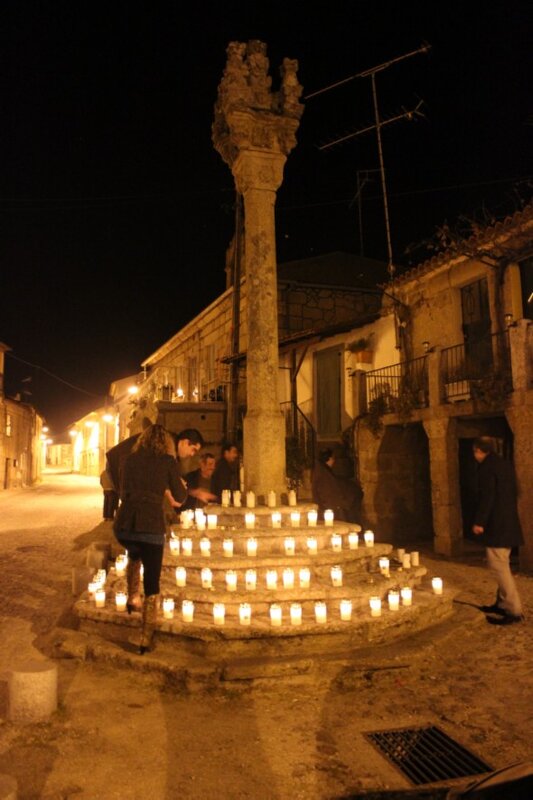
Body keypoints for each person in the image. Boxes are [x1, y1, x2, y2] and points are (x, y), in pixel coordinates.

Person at [113, 424, 187, 654]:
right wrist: (169, 489)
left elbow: (123, 490)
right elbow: (181, 497)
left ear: (142, 441)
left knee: (134, 553)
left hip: (124, 526)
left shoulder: (129, 459)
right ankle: (145, 637)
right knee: (152, 581)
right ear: (166, 443)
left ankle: (132, 598)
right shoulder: (167, 462)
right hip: (150, 527)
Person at [472, 436, 524, 625]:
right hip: (508, 523)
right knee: (502, 563)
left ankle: (513, 609)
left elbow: (488, 496)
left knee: (499, 566)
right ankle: (501, 603)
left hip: (497, 525)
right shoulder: (504, 465)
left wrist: (480, 522)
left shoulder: (487, 468)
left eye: (475, 452)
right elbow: (517, 491)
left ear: (479, 450)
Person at [311, 448, 363, 523]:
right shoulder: (324, 474)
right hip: (331, 508)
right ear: (329, 459)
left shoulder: (324, 472)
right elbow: (329, 491)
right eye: (333, 458)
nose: (334, 461)